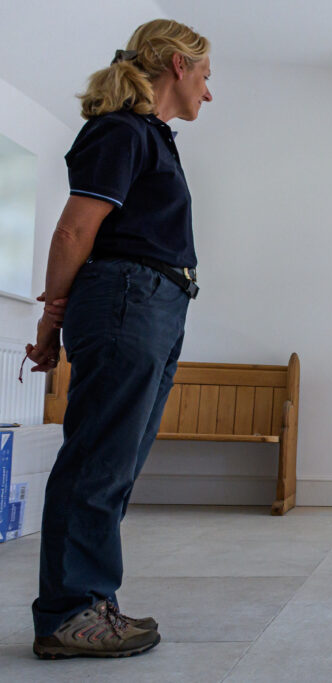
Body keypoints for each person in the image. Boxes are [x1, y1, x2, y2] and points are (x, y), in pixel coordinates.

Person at [23, 18, 212, 659]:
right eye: (205, 75)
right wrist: (50, 321)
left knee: (115, 464)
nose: (208, 92)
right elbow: (73, 231)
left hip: (152, 302)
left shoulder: (147, 135)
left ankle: (90, 602)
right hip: (129, 298)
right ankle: (70, 613)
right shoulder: (122, 130)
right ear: (178, 66)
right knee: (99, 461)